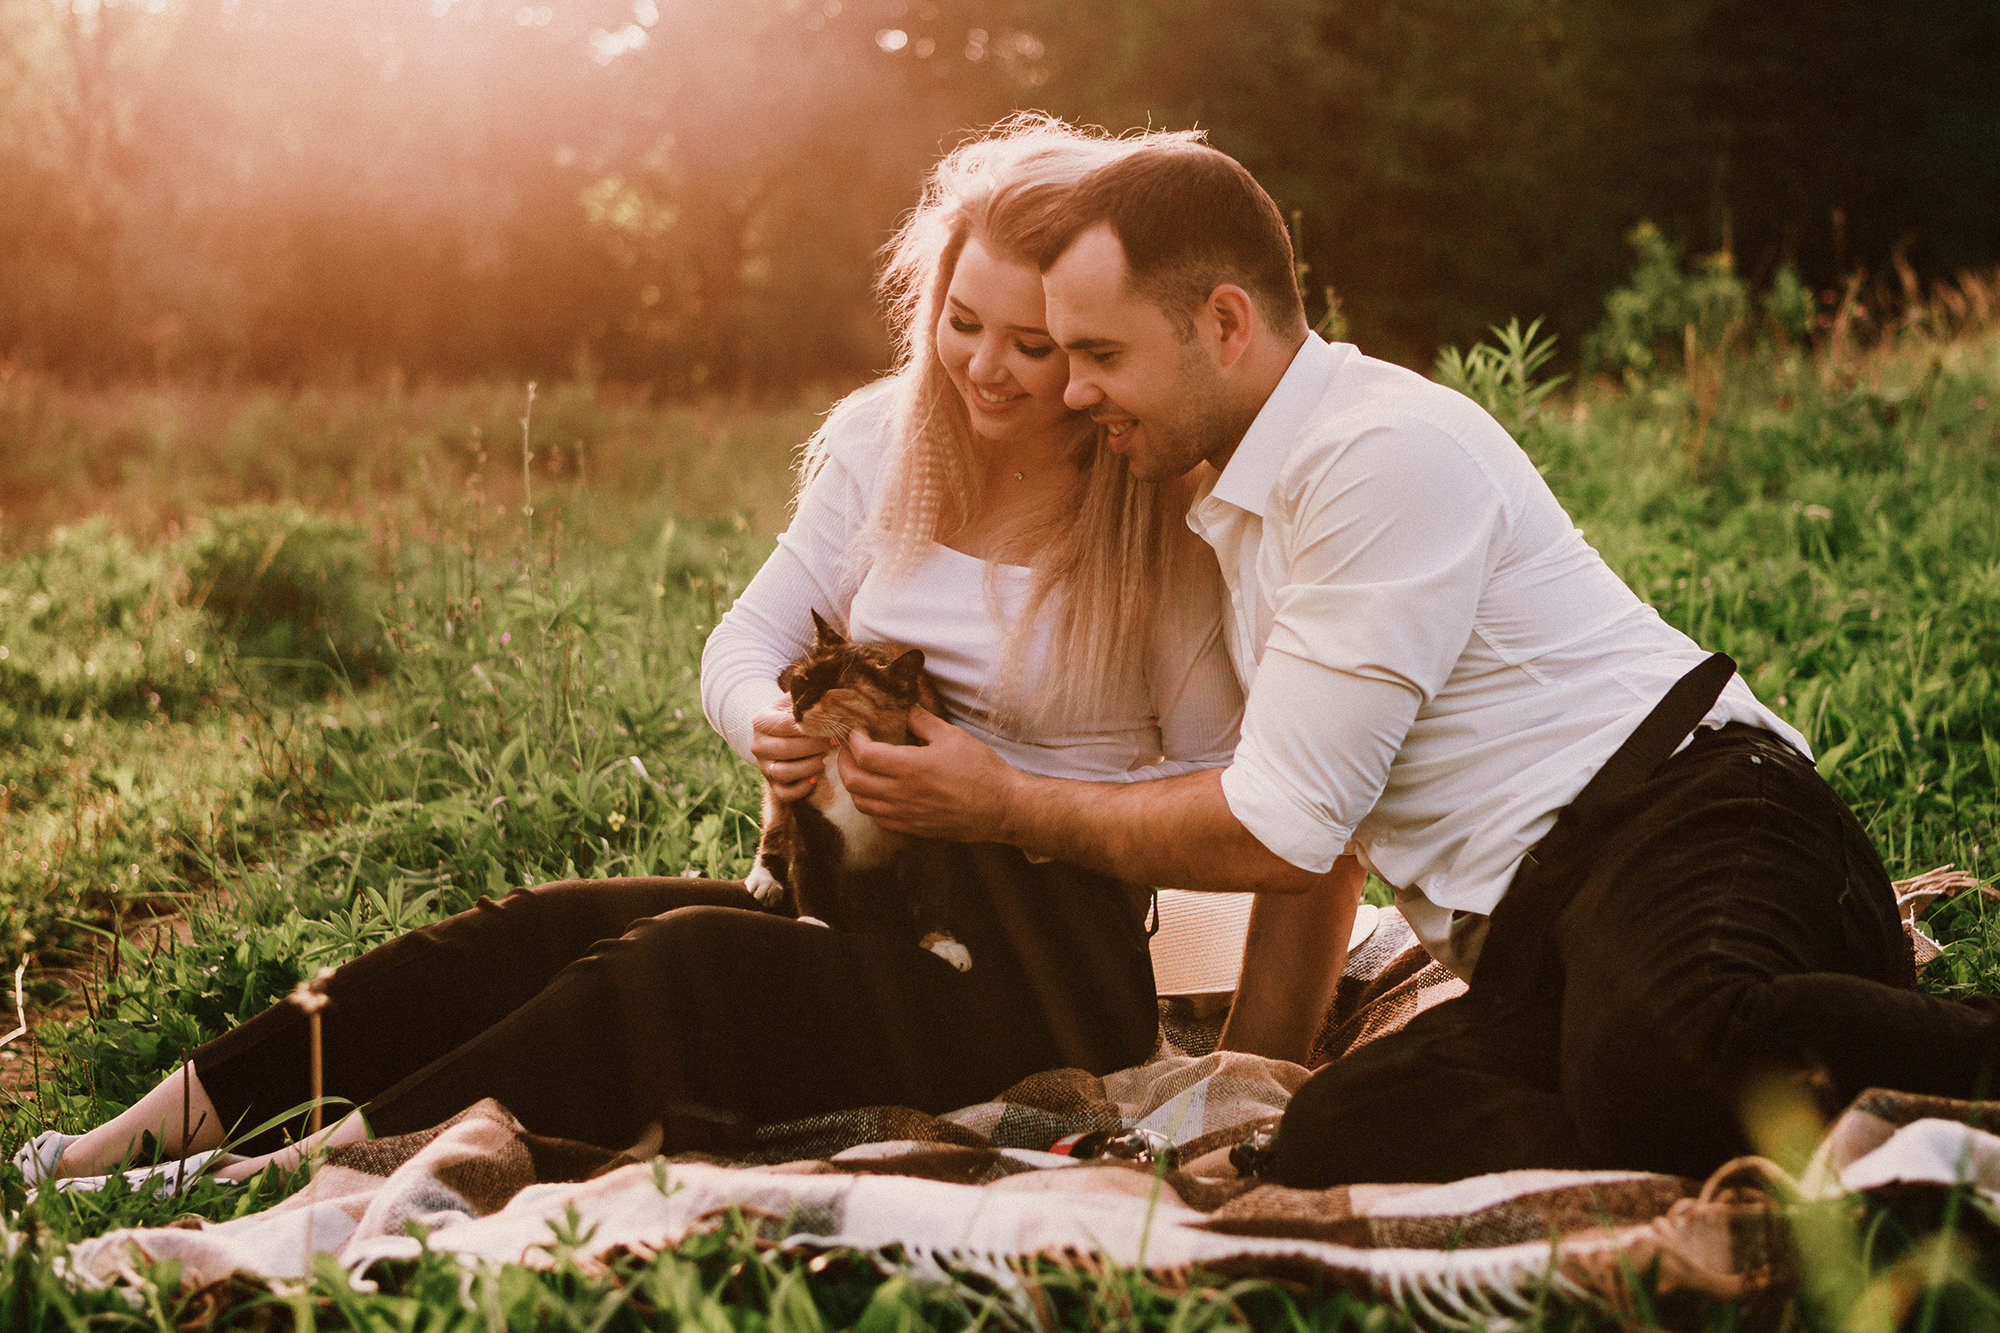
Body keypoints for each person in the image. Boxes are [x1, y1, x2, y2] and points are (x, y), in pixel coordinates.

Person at [15, 118, 1276, 1188]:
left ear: (1090, 333)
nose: (984, 369)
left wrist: (1004, 799)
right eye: (961, 322)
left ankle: (280, 1176)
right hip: (847, 904)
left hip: (1029, 979)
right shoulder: (884, 439)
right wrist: (765, 728)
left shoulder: (1153, 512)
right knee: (521, 928)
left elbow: (1224, 800)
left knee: (672, 965)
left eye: (1036, 345)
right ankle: (126, 1137)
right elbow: (745, 640)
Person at [840, 134, 2000, 1186]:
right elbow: (1326, 831)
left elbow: (1274, 828)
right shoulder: (1231, 503)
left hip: (1690, 820)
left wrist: (1004, 806)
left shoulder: (1371, 453)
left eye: (1098, 352)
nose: (1071, 388)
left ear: (1225, 324)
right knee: (1332, 1142)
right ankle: (1686, 1095)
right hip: (1538, 938)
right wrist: (1250, 1069)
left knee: (1665, 1058)